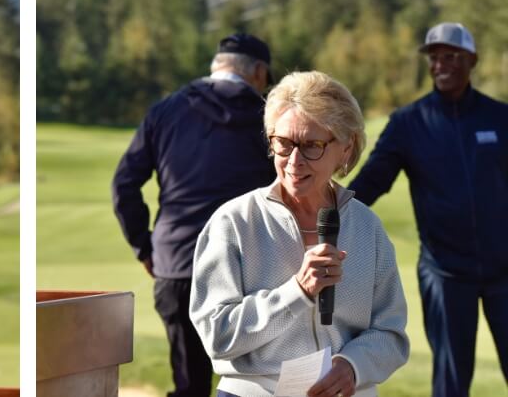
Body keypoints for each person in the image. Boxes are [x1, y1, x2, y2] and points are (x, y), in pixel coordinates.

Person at [189, 71, 409, 397]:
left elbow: (391, 333)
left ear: (345, 150)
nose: (294, 161)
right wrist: (297, 292)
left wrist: (353, 366)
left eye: (312, 146)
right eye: (283, 144)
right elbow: (216, 336)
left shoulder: (367, 228)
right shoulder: (233, 222)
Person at [112, 33, 277, 397]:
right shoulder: (268, 117)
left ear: (217, 66)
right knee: (255, 385)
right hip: (248, 269)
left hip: (177, 266)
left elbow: (124, 185)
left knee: (190, 387)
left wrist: (146, 247)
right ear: (259, 71)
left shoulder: (166, 110)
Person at [349, 22, 508, 396]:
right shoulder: (408, 123)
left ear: (472, 61)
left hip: (505, 271)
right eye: (434, 58)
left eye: (451, 56)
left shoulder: (500, 118)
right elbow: (373, 180)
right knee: (451, 382)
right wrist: (330, 211)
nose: (440, 65)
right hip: (445, 274)